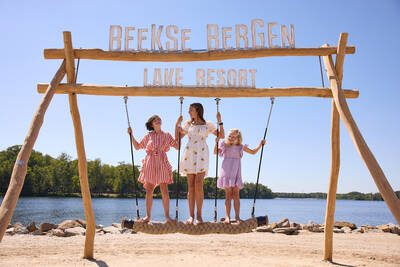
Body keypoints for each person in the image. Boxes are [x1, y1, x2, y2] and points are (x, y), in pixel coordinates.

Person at [176, 103, 224, 224]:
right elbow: (178, 137)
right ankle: (191, 216)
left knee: (198, 184)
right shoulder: (188, 124)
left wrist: (220, 121)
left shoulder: (207, 124)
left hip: (202, 154)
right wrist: (177, 124)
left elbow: (221, 135)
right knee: (191, 186)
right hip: (190, 154)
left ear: (197, 110)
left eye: (190, 110)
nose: (189, 112)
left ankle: (199, 216)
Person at [128, 115, 179, 223]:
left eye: (159, 119)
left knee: (164, 189)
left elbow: (177, 146)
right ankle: (148, 216)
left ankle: (167, 217)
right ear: (151, 124)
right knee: (149, 190)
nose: (158, 121)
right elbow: (137, 147)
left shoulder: (166, 135)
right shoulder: (148, 135)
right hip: (150, 162)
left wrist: (177, 128)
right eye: (155, 120)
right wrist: (131, 135)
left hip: (162, 162)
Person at [214, 128, 265, 224]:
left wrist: (260, 144)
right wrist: (216, 143)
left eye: (233, 136)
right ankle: (227, 217)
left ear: (238, 137)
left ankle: (237, 217)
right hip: (226, 171)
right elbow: (215, 152)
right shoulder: (224, 145)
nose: (231, 138)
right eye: (230, 136)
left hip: (236, 172)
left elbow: (253, 152)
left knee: (236, 194)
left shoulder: (240, 147)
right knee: (228, 194)